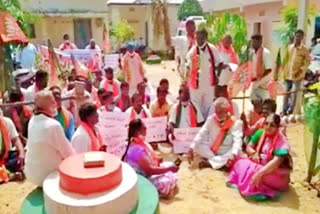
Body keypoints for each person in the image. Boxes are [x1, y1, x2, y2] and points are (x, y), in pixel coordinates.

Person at [227, 114, 291, 201]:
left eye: (272, 125)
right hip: (260, 166)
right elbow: (249, 146)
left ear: (277, 127)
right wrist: (254, 153)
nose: (268, 127)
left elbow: (276, 162)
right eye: (266, 124)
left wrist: (260, 173)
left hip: (276, 174)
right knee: (239, 162)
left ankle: (258, 189)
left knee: (253, 171)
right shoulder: (261, 133)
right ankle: (253, 181)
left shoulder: (282, 142)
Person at [25, 90, 75, 186]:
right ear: (50, 104)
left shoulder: (32, 120)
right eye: (53, 101)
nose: (55, 104)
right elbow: (69, 153)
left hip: (32, 175)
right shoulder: (53, 125)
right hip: (48, 177)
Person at [124, 119, 178, 198]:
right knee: (166, 181)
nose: (146, 129)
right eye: (144, 128)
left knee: (170, 165)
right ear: (139, 131)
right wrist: (169, 169)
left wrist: (157, 160)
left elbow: (148, 158)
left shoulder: (140, 142)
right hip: (142, 178)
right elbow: (149, 170)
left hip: (146, 171)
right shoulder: (136, 149)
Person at [191, 97, 243, 169]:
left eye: (220, 111)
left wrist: (232, 155)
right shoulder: (211, 119)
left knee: (236, 151)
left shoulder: (235, 123)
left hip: (225, 151)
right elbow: (201, 133)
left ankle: (211, 163)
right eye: (216, 110)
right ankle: (219, 162)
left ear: (226, 110)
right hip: (212, 152)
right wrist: (191, 148)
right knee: (196, 146)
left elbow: (237, 141)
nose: (217, 113)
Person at [186, 24, 224, 119]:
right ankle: (198, 127)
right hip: (195, 86)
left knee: (209, 108)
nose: (199, 41)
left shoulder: (212, 49)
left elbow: (219, 64)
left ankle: (207, 127)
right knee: (195, 107)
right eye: (197, 38)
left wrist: (217, 77)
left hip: (209, 85)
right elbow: (187, 69)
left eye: (201, 38)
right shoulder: (191, 52)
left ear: (206, 38)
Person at [282, 30, 310, 115]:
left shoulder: (304, 50)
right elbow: (286, 60)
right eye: (296, 36)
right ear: (294, 36)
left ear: (302, 38)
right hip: (287, 74)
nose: (297, 38)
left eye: (299, 36)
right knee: (286, 93)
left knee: (294, 93)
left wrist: (301, 71)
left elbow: (307, 62)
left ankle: (291, 110)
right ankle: (284, 110)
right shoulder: (289, 47)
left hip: (297, 76)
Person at [0, 109, 25, 183]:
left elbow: (16, 139)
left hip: (6, 157)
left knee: (23, 158)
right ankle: (10, 175)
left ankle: (6, 174)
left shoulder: (7, 122)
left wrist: (22, 153)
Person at [249, 34, 273, 100]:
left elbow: (269, 69)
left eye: (254, 42)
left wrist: (260, 78)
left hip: (263, 83)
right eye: (252, 42)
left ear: (260, 42)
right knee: (253, 99)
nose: (253, 44)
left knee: (263, 101)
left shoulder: (266, 53)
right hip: (256, 82)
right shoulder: (253, 53)